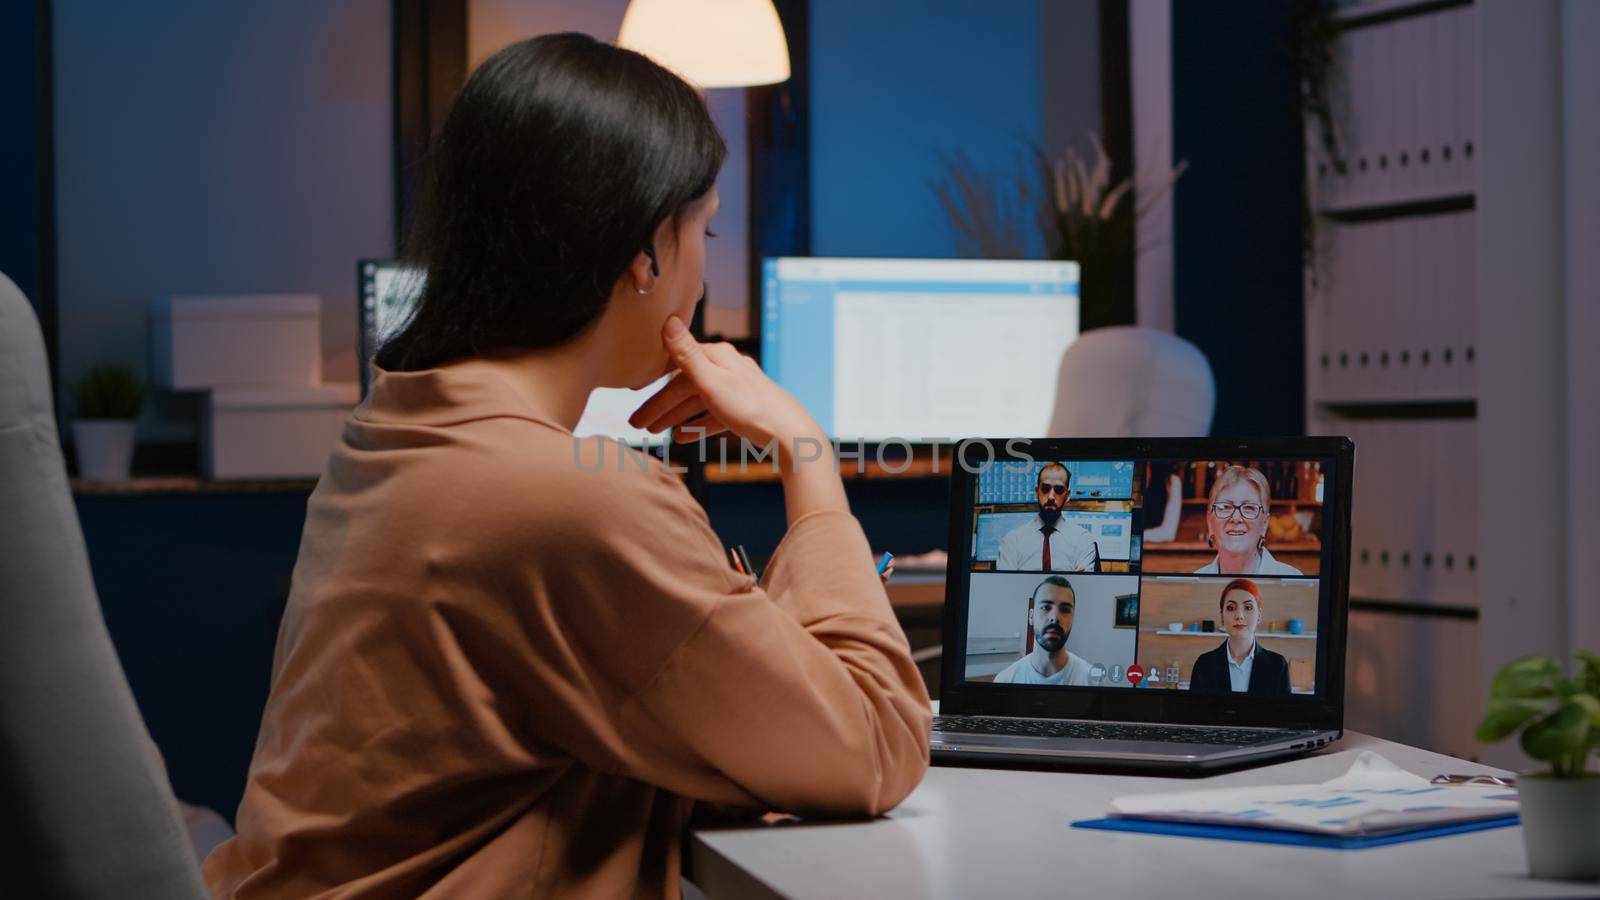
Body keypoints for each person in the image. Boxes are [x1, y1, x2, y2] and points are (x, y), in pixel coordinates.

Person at [205, 34, 930, 899]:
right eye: (706, 227)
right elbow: (876, 746)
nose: (701, 271)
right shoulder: (573, 501)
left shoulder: (393, 432)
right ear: (644, 254)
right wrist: (805, 454)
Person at [1187, 579, 1292, 695]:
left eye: (1248, 607)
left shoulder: (1278, 665)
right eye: (1231, 608)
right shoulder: (1204, 664)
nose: (1239, 616)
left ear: (1259, 615)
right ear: (1222, 615)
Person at [1195, 464, 1303, 575]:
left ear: (1264, 524)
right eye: (1225, 507)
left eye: (1249, 508)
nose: (1236, 518)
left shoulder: (1293, 580)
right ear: (1210, 522)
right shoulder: (1194, 585)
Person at [994, 463, 1098, 571]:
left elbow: (1081, 586)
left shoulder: (1082, 540)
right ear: (1036, 492)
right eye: (1045, 488)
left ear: (1067, 495)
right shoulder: (1012, 541)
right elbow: (1006, 585)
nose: (1051, 497)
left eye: (1058, 490)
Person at [993, 577, 1095, 685]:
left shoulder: (1092, 681)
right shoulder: (1005, 681)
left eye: (1065, 609)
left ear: (1073, 618)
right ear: (1031, 617)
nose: (1055, 618)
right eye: (1046, 607)